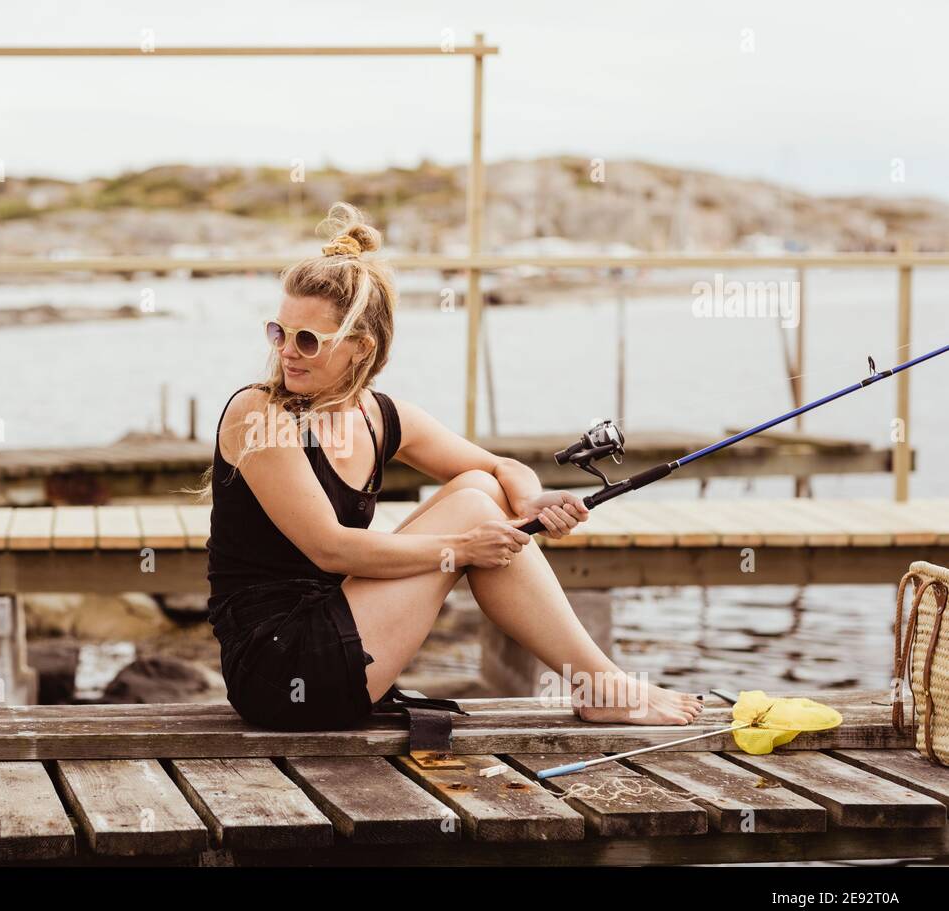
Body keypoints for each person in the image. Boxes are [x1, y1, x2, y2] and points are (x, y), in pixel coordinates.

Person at [191, 201, 704, 731]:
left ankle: (598, 682)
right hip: (280, 669)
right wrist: (461, 548)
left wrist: (529, 502)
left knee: (482, 488)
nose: (287, 353)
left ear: (360, 348)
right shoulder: (259, 413)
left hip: (338, 633)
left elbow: (502, 466)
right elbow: (331, 547)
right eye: (279, 332)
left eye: (307, 340)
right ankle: (600, 682)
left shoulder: (380, 417)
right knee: (472, 513)